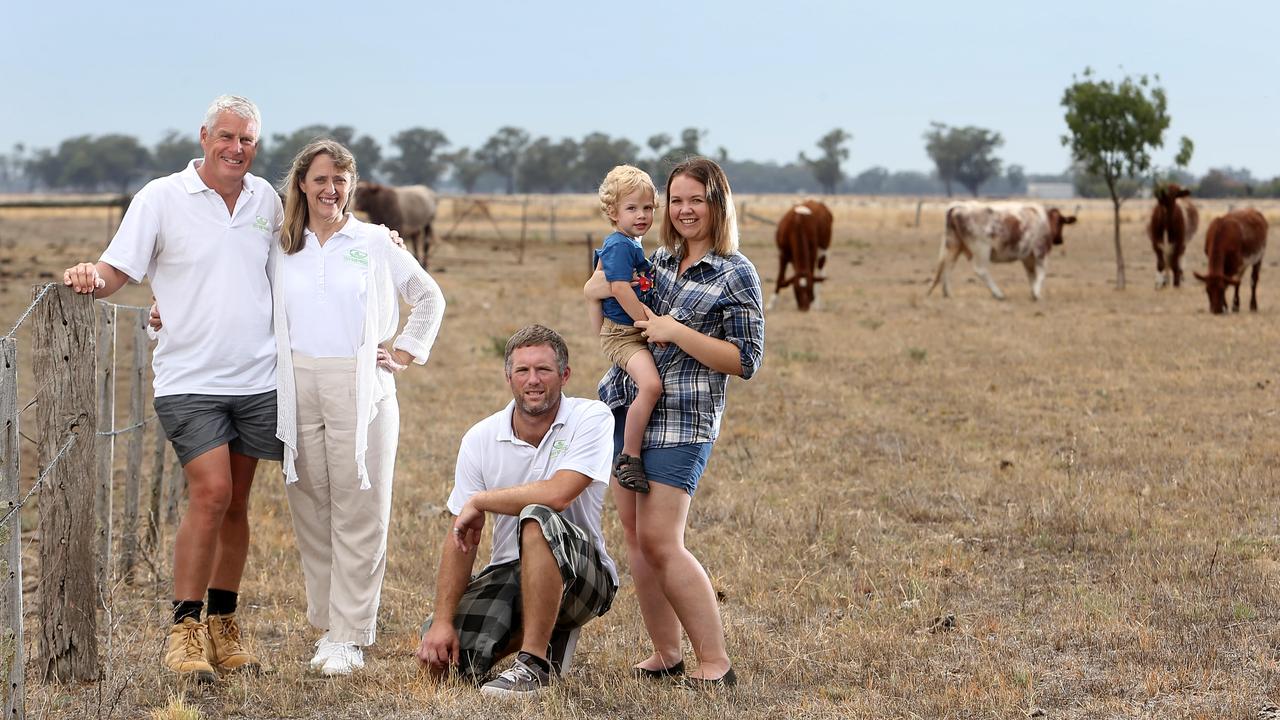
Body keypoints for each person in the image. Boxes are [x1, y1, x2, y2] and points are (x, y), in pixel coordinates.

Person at [63, 95, 280, 683]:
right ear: (205, 136)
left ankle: (224, 626)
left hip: (259, 379)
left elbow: (293, 274)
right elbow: (117, 270)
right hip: (190, 380)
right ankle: (184, 631)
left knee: (237, 502)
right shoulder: (160, 197)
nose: (237, 149)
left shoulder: (269, 201)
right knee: (209, 494)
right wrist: (90, 276)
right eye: (227, 137)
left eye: (249, 141)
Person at [585, 156, 765, 686]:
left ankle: (716, 663)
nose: (685, 210)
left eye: (697, 199)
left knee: (663, 540)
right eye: (677, 200)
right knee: (636, 537)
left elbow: (745, 360)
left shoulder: (736, 273)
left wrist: (675, 331)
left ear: (718, 204)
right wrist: (597, 288)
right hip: (626, 408)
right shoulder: (656, 261)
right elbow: (604, 293)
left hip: (682, 420)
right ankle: (666, 653)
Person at [271, 139, 445, 675]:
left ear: (353, 186)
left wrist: (405, 348)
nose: (330, 189)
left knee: (360, 508)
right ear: (302, 182)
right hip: (296, 382)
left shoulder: (372, 240)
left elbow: (428, 295)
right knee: (311, 505)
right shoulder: (281, 244)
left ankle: (350, 635)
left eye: (340, 180)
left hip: (360, 383)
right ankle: (328, 626)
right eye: (321, 179)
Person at [415, 325, 617, 698]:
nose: (533, 380)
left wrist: (481, 500)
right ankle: (547, 627)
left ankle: (534, 664)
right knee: (446, 660)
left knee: (537, 517)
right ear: (508, 377)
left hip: (584, 575)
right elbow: (462, 536)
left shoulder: (593, 418)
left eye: (544, 370)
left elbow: (558, 495)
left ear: (565, 375)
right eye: (522, 371)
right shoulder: (480, 438)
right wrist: (443, 621)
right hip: (512, 573)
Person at [588, 165, 662, 494]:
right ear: (613, 212)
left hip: (628, 329)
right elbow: (618, 288)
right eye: (631, 208)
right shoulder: (618, 244)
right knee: (650, 386)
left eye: (647, 207)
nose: (642, 215)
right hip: (624, 333)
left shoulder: (632, 242)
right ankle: (629, 456)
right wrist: (647, 322)